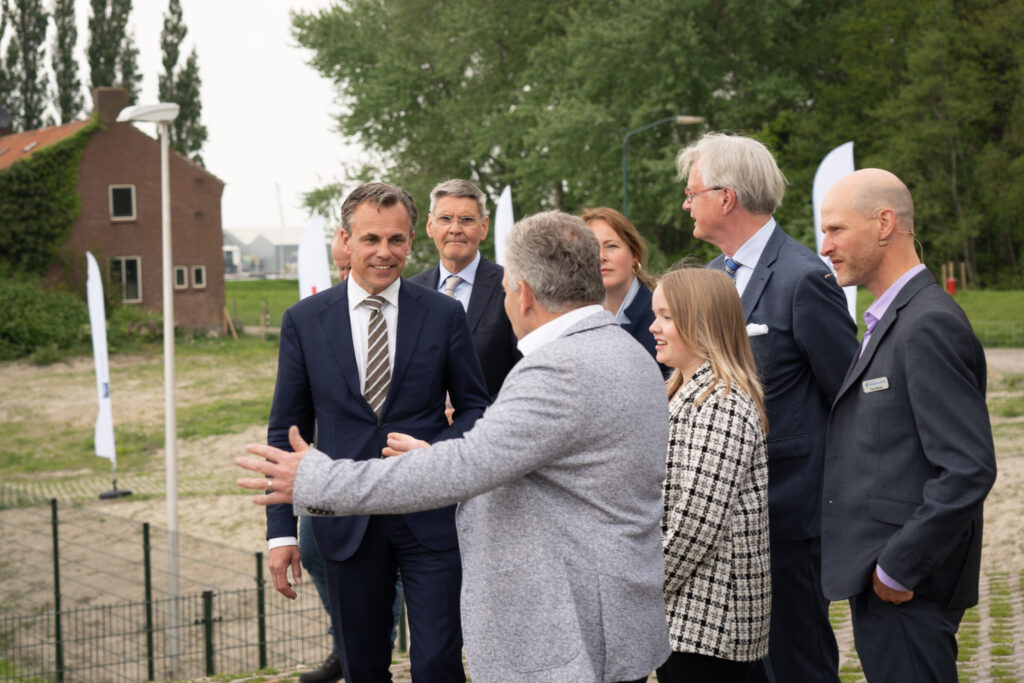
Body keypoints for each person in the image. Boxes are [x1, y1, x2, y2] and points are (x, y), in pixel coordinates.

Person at [239, 210, 672, 683]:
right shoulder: (629, 351)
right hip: (613, 622)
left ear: (523, 292)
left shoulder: (556, 370)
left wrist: (315, 479)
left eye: (506, 287)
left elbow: (469, 463)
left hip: (568, 633)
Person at [264, 182, 490, 682]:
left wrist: (437, 452)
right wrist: (281, 531)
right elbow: (286, 430)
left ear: (412, 241)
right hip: (346, 522)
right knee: (363, 668)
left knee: (437, 665)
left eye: (396, 240)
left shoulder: (443, 314)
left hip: (430, 516)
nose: (384, 253)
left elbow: (476, 409)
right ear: (346, 240)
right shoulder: (304, 321)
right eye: (370, 239)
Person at [676, 132, 858, 683]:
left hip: (786, 517)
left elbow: (846, 397)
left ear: (726, 197)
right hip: (720, 519)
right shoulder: (711, 278)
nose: (686, 203)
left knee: (795, 664)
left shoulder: (804, 279)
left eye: (692, 192)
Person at [819, 168, 996, 681]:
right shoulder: (892, 319)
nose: (825, 246)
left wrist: (898, 566)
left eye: (835, 230)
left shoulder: (927, 322)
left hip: (908, 588)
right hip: (889, 585)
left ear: (884, 223)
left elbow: (967, 469)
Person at [651, 267, 770, 682]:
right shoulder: (684, 390)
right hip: (686, 612)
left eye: (666, 316)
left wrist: (643, 587)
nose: (654, 326)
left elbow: (697, 523)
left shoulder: (719, 402)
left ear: (700, 323)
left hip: (712, 617)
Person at [409, 179, 520, 398]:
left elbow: (523, 374)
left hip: (490, 425)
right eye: (446, 219)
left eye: (466, 220)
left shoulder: (511, 286)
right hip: (423, 430)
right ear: (430, 226)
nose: (455, 229)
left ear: (484, 227)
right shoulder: (409, 292)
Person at [581, 207, 660, 359]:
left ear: (635, 255)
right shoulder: (576, 320)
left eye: (611, 246)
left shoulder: (663, 316)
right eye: (592, 248)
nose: (601, 257)